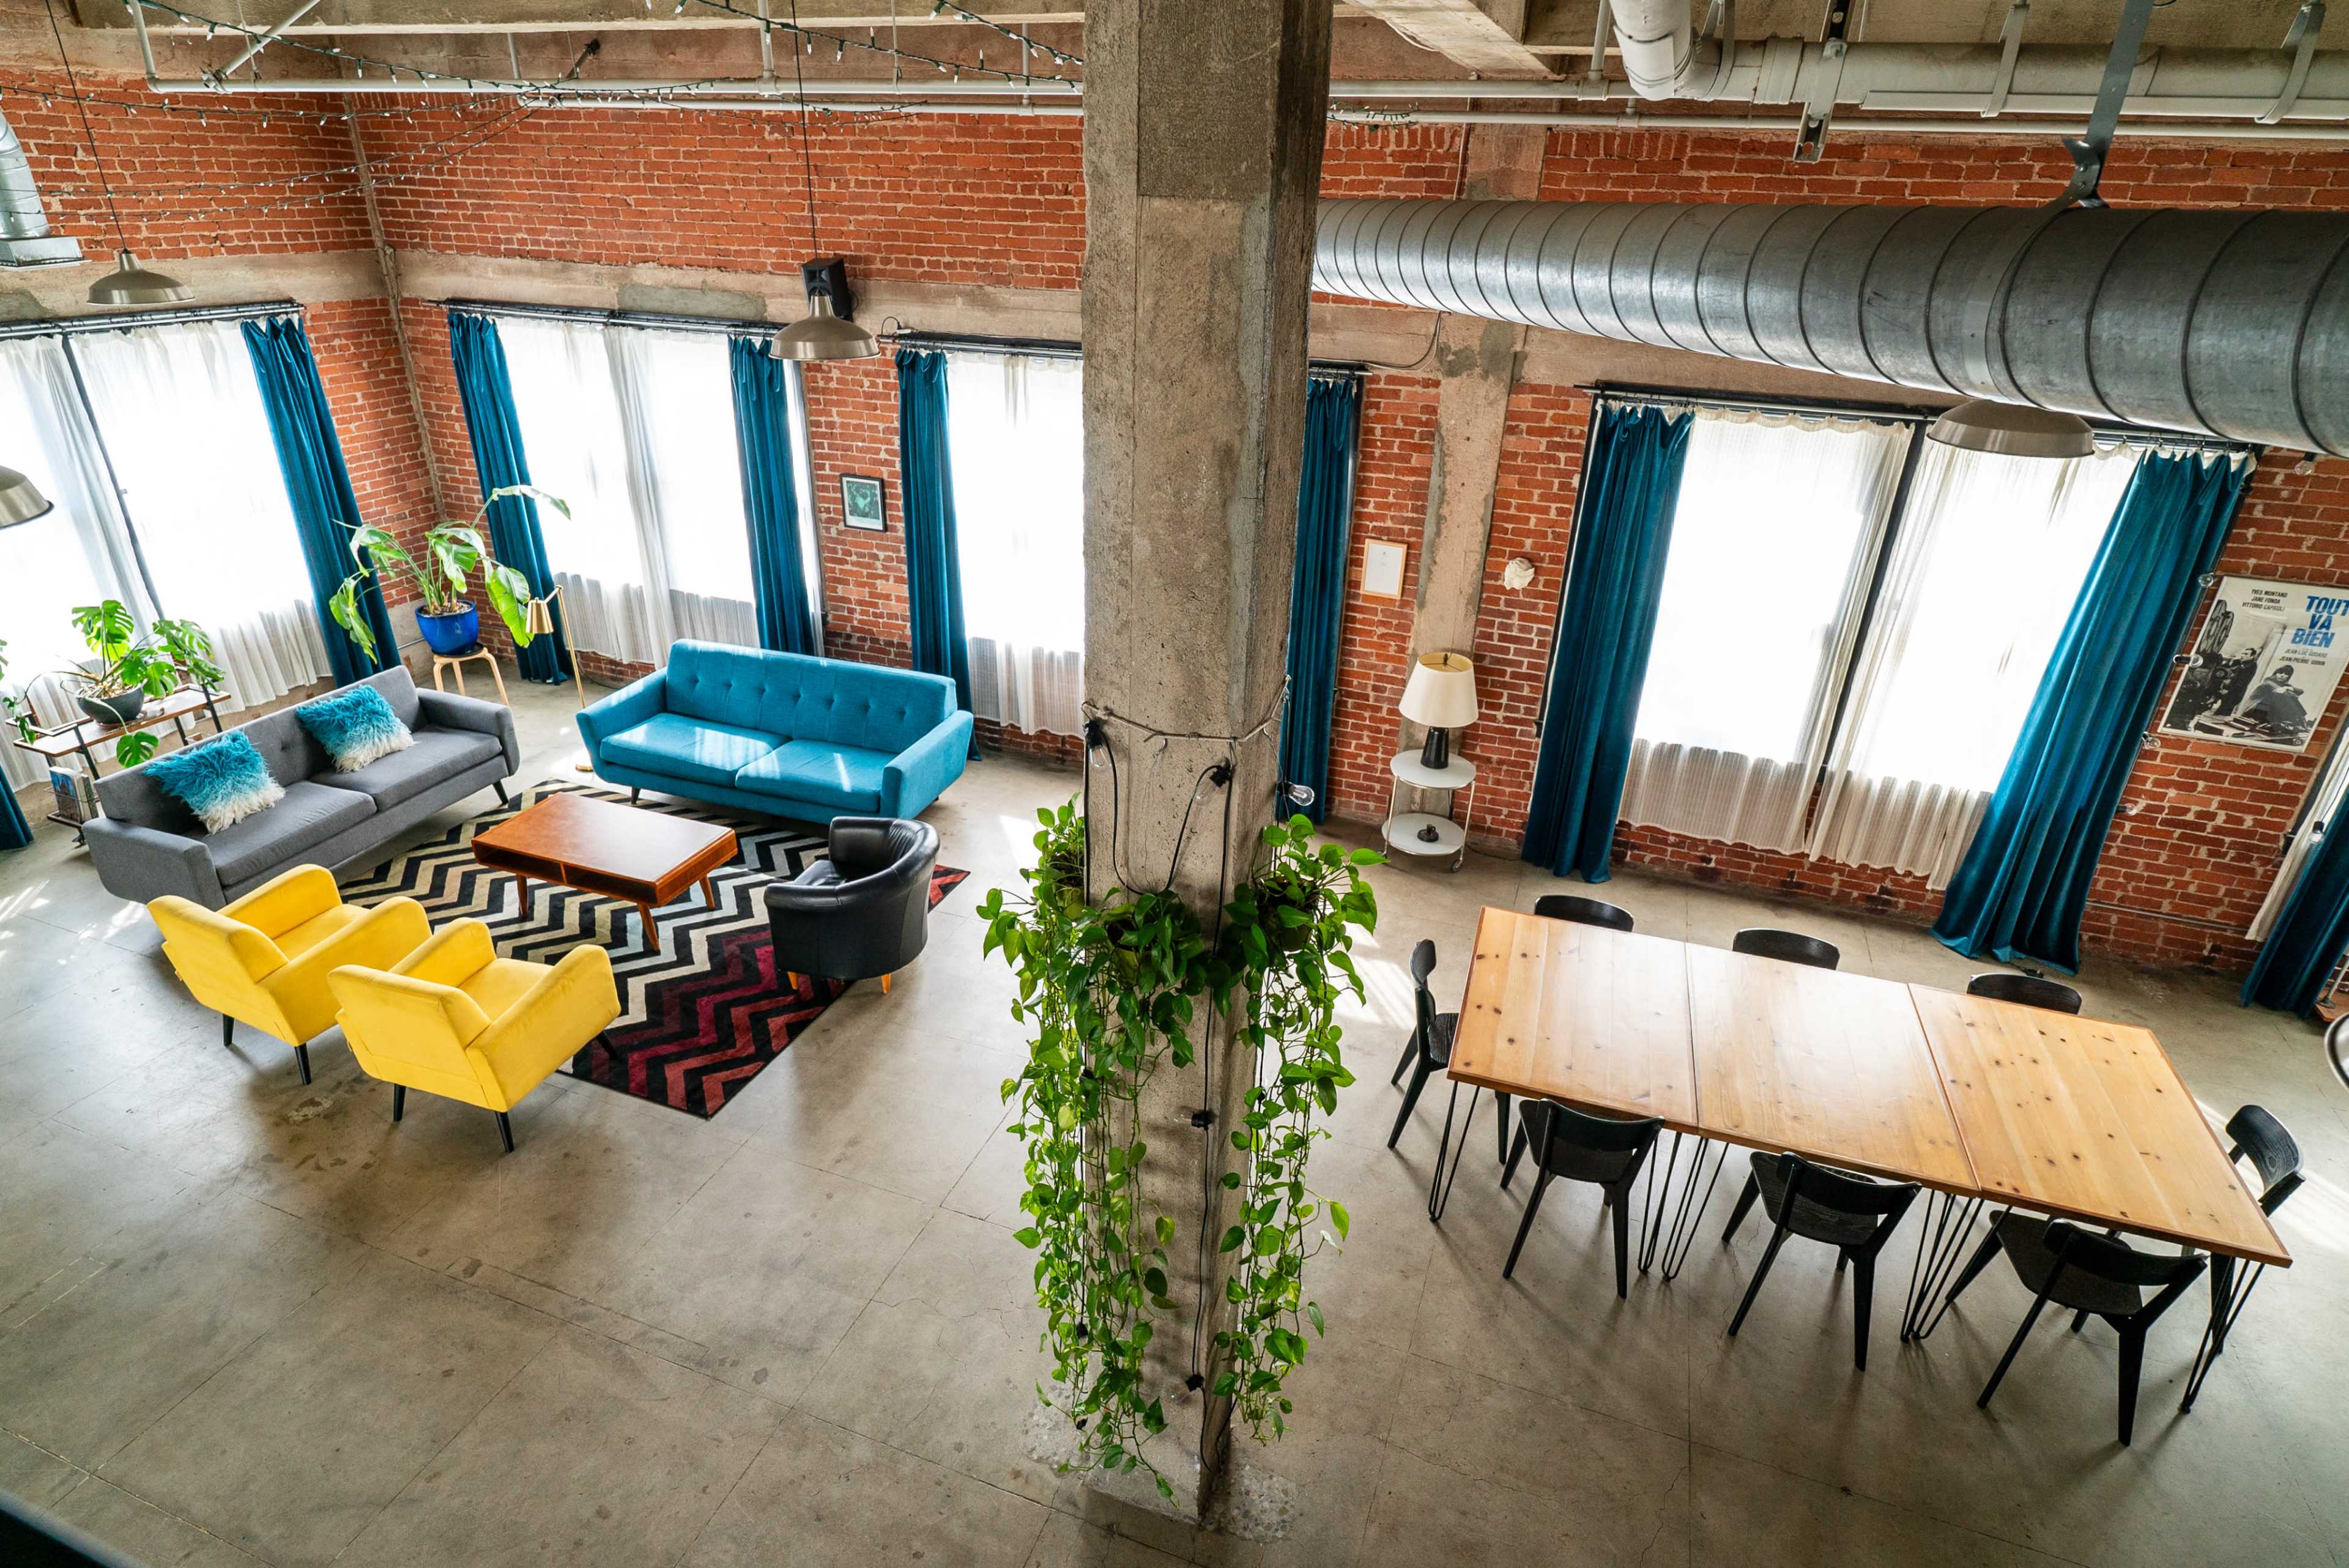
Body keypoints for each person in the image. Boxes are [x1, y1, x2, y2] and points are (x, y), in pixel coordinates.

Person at [2243, 663, 2310, 736]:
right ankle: (2301, 722)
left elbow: (2301, 691)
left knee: (2287, 698)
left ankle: (2300, 722)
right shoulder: (2268, 682)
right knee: (2284, 696)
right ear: (2276, 673)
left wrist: (2287, 688)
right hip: (2254, 708)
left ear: (2289, 676)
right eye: (2280, 673)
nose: (2282, 675)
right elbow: (2289, 694)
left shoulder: (2285, 685)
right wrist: (2288, 691)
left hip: (2268, 709)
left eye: (2286, 674)